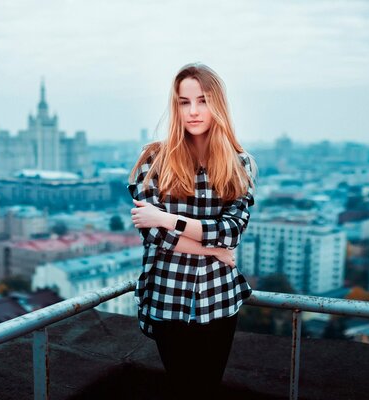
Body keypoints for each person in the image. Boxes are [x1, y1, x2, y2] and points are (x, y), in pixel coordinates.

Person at [127, 63, 257, 399]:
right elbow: (154, 237)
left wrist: (168, 219)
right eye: (184, 102)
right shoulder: (153, 162)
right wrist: (212, 249)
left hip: (220, 298)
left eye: (202, 100)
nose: (194, 111)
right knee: (182, 389)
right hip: (168, 297)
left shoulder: (238, 164)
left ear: (218, 105)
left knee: (208, 389)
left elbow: (231, 232)